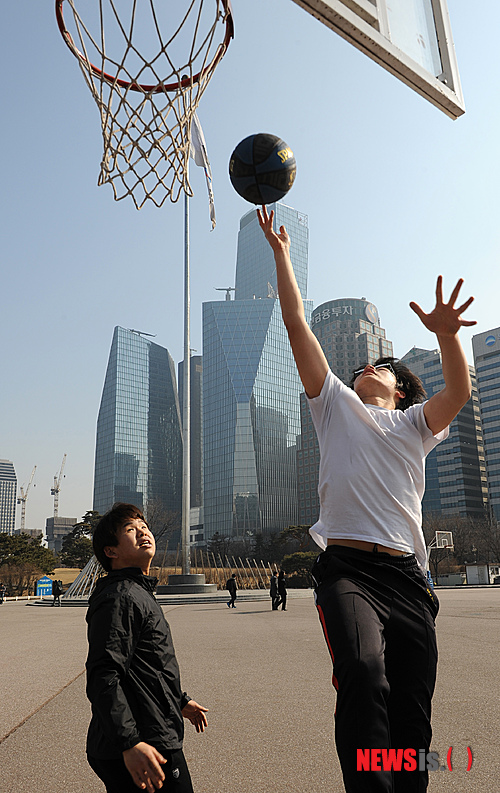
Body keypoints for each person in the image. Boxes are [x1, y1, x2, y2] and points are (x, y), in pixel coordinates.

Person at [257, 205, 475, 793]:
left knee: (413, 712)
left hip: (408, 577)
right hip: (349, 570)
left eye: (379, 366)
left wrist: (448, 337)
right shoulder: (333, 406)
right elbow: (298, 323)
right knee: (362, 669)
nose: (365, 369)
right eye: (362, 366)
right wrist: (281, 255)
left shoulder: (414, 425)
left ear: (400, 388)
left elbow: (458, 391)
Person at [87, 502, 208, 793]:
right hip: (144, 742)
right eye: (131, 530)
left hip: (147, 732)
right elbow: (104, 674)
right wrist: (129, 742)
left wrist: (180, 701)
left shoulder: (136, 591)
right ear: (111, 551)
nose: (143, 532)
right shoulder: (121, 597)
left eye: (144, 527)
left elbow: (147, 665)